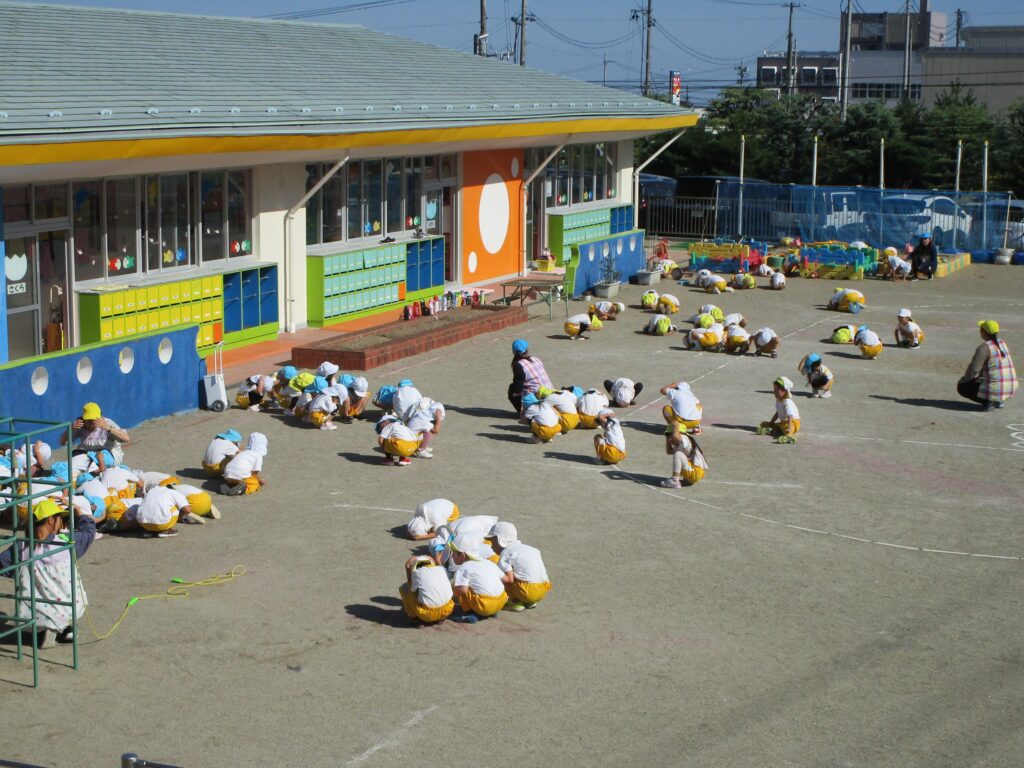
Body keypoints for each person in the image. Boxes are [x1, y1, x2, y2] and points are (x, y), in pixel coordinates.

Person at [0, 498, 93, 648]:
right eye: (59, 518)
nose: (61, 522)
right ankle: (65, 628)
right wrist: (79, 513)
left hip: (36, 612)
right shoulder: (66, 542)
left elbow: (2, 564)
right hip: (69, 607)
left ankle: (44, 629)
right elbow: (89, 533)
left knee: (32, 588)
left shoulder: (22, 547)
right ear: (51, 520)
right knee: (66, 600)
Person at [958, 320, 1018, 410]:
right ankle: (998, 400)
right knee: (989, 377)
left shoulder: (984, 348)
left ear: (983, 332)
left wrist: (965, 380)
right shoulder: (1002, 343)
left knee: (962, 387)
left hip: (996, 389)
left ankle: (989, 402)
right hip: (1011, 387)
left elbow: (974, 370)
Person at [490, 522, 551, 611]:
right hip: (543, 588)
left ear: (499, 539)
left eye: (492, 541)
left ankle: (515, 602)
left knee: (501, 575)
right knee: (521, 572)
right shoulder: (531, 549)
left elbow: (509, 580)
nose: (491, 546)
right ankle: (529, 602)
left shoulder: (506, 553)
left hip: (527, 591)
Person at [449, 532, 508, 622]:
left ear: (462, 555)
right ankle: (493, 611)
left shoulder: (464, 568)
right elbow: (505, 579)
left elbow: (463, 590)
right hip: (501, 601)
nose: (452, 556)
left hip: (484, 605)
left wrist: (450, 595)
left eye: (453, 552)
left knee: (459, 587)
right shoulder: (489, 562)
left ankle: (469, 614)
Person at [60, 402, 131, 466]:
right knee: (75, 457)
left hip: (108, 456)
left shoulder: (107, 423)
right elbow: (63, 442)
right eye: (89, 421)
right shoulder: (80, 425)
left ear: (101, 417)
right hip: (89, 456)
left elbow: (126, 438)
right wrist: (71, 428)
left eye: (94, 420)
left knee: (98, 461)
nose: (92, 424)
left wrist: (109, 428)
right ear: (84, 419)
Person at [400, 555, 455, 624]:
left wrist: (407, 568)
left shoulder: (417, 573)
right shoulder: (441, 569)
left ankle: (414, 618)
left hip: (428, 615)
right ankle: (440, 618)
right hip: (447, 610)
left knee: (404, 587)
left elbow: (410, 585)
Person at [508, 339, 553, 413]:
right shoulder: (535, 358)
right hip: (550, 392)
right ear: (527, 350)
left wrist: (516, 393)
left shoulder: (518, 365)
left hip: (538, 395)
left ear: (513, 352)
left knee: (512, 388)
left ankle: (526, 412)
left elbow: (518, 388)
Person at [757, 376, 800, 444]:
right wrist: (771, 422)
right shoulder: (778, 400)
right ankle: (774, 430)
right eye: (774, 390)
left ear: (784, 391)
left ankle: (790, 437)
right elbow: (778, 412)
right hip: (783, 423)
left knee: (788, 429)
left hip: (793, 422)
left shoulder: (787, 402)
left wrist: (789, 428)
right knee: (764, 424)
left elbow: (790, 415)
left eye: (776, 390)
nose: (774, 392)